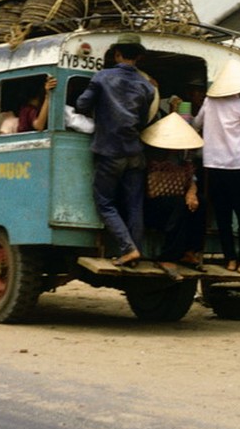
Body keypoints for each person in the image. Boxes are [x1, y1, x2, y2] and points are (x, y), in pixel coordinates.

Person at [74, 34, 157, 267]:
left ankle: (127, 248)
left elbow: (81, 105)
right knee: (134, 204)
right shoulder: (146, 87)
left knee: (105, 202)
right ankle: (136, 253)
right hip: (135, 152)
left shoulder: (102, 77)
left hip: (110, 151)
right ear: (139, 57)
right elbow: (142, 121)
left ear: (117, 54)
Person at [193, 59, 240, 279]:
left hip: (213, 165)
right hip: (235, 164)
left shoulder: (209, 102)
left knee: (223, 214)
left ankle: (230, 260)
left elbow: (197, 125)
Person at [140, 112, 205, 280]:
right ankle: (167, 257)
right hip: (151, 208)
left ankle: (190, 251)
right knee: (178, 204)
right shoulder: (150, 155)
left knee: (201, 202)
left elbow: (192, 180)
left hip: (174, 206)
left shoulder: (183, 159)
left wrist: (192, 193)